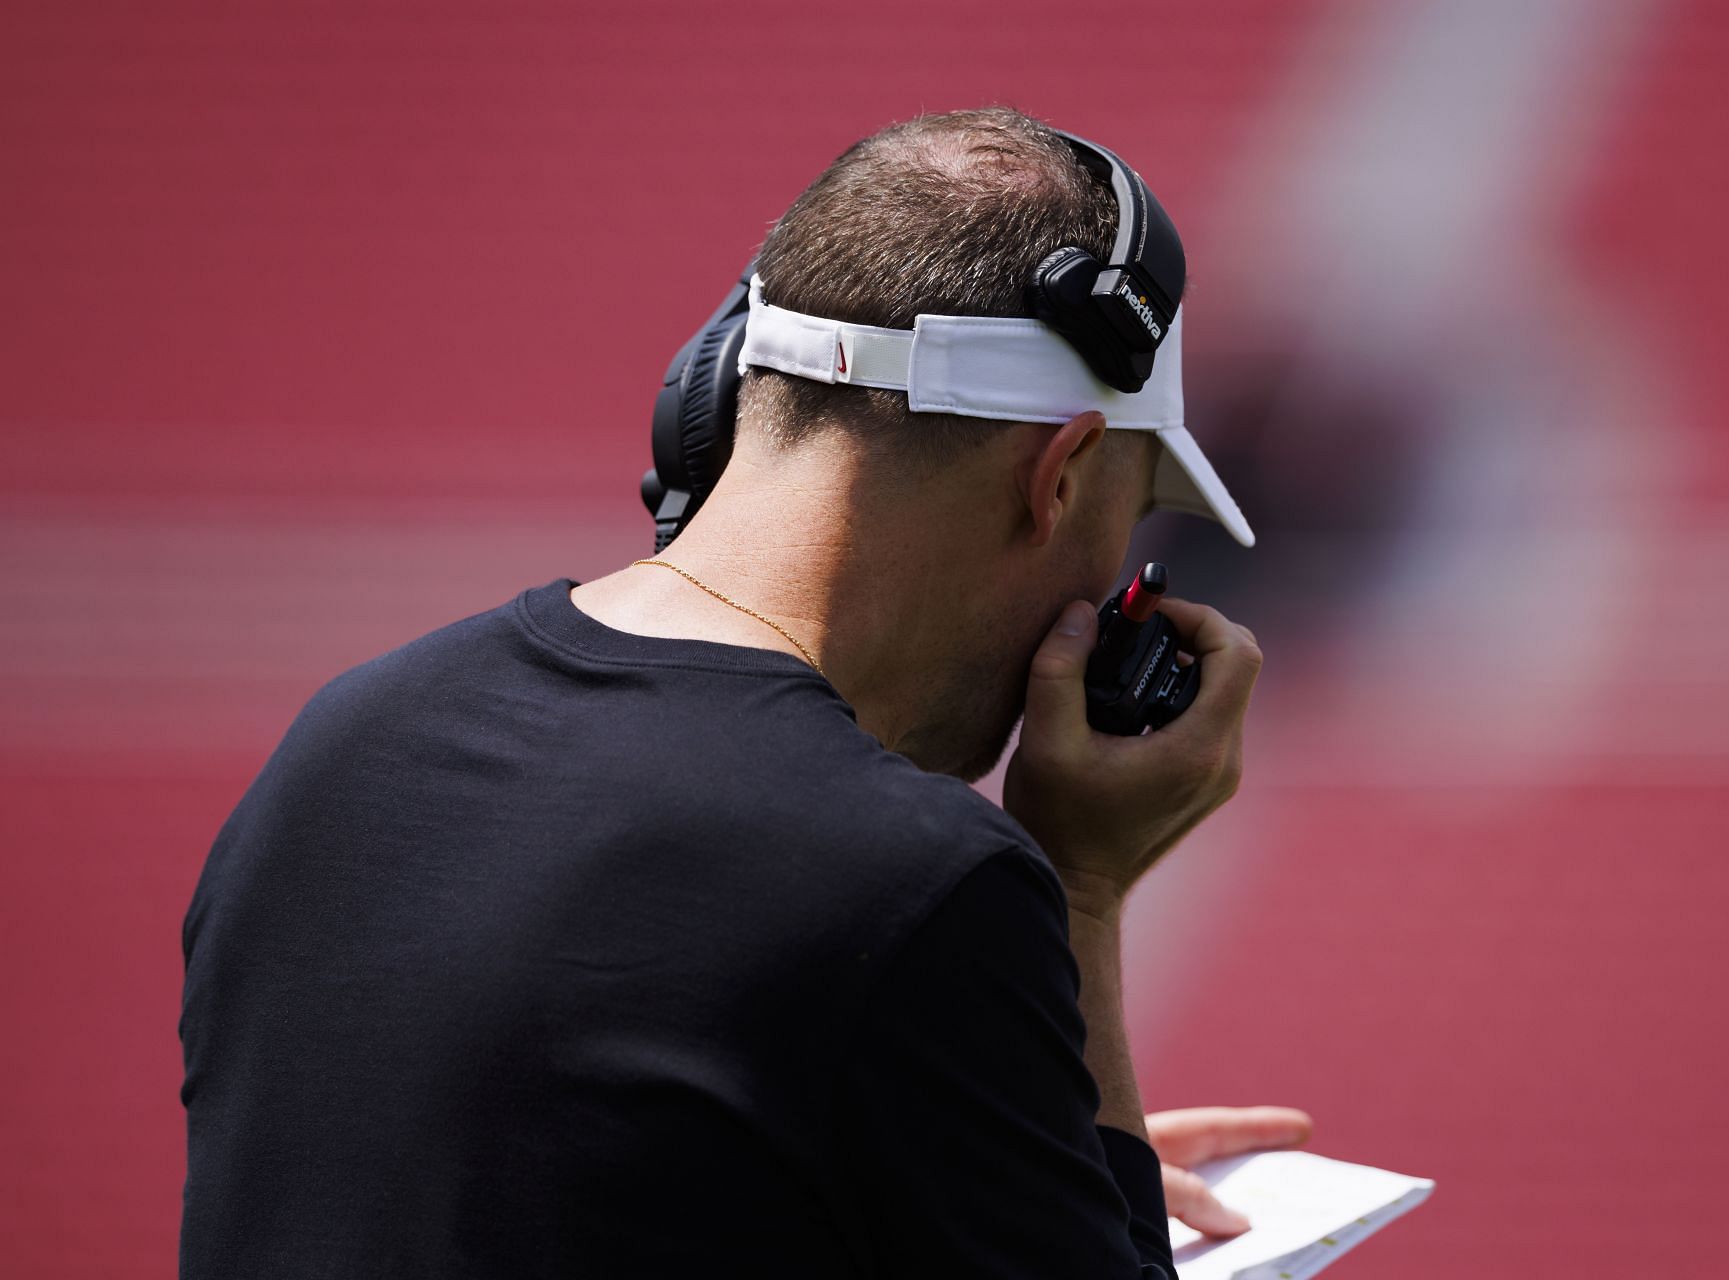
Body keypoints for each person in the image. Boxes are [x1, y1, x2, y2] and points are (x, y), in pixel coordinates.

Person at [179, 106, 1310, 1278]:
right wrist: (1079, 887)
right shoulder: (918, 880)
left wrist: (1016, 1160)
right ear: (1061, 476)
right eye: (1125, 520)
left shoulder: (342, 744)